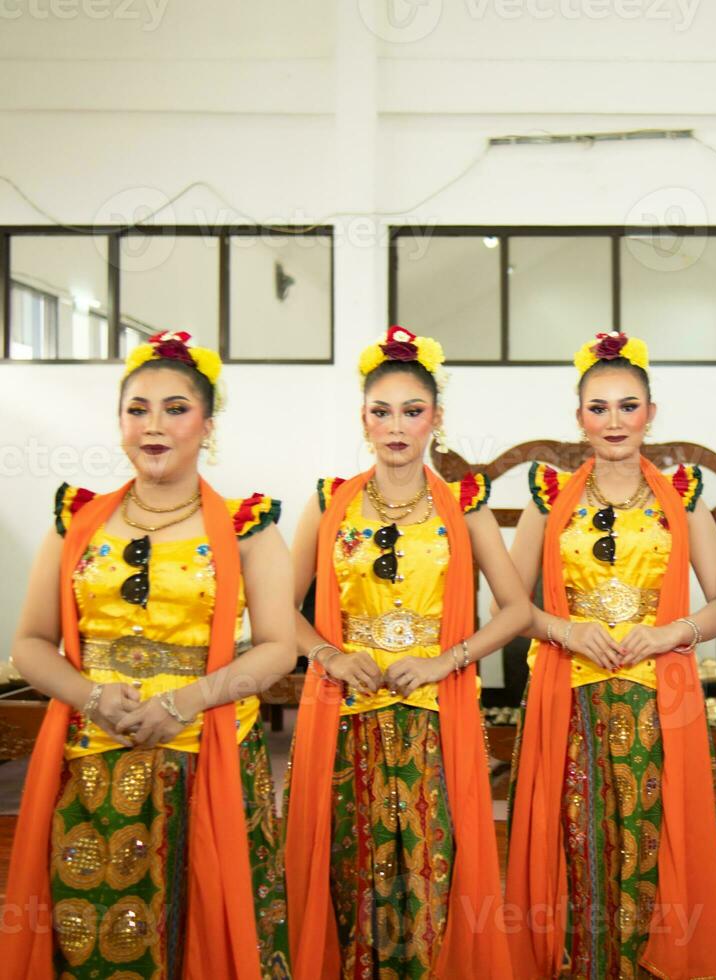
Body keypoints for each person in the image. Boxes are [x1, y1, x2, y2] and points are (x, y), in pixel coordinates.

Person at [3, 330, 295, 978]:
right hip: (91, 758)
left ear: (207, 425)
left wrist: (187, 700)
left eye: (174, 408)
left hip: (205, 754)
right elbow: (29, 643)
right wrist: (92, 697)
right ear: (119, 423)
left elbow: (278, 648)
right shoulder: (76, 519)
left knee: (203, 927)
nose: (153, 425)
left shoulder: (250, 525)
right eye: (137, 409)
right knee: (88, 926)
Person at [284, 326, 529, 978]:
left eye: (412, 412)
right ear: (363, 419)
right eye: (381, 412)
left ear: (437, 420)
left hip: (434, 712)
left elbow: (517, 610)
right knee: (349, 864)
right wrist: (330, 656)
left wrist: (446, 659)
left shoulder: (465, 504)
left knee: (432, 867)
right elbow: (279, 607)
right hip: (346, 710)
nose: (396, 427)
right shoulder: (327, 501)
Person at [505, 330, 716, 979]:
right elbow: (509, 606)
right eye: (599, 407)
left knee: (650, 845)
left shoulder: (682, 495)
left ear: (651, 413)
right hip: (569, 697)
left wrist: (668, 635)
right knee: (575, 842)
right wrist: (564, 629)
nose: (614, 421)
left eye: (628, 405)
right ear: (579, 416)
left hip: (657, 700)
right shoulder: (549, 496)